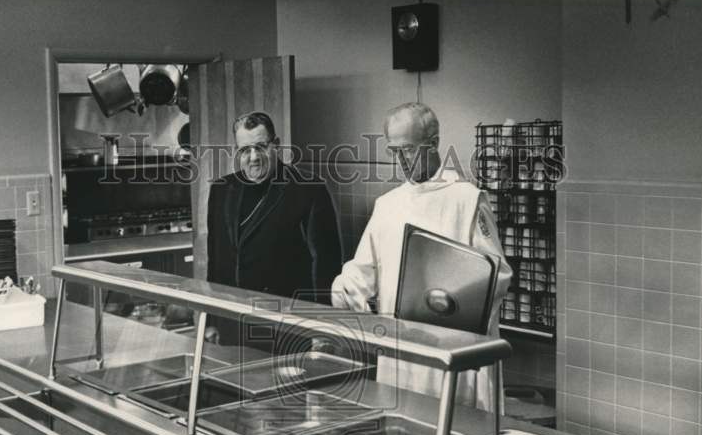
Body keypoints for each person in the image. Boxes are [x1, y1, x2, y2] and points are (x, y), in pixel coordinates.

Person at [331, 102, 512, 410]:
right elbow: (362, 271)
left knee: (460, 434)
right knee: (406, 429)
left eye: (408, 150)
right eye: (393, 151)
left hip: (456, 351)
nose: (400, 160)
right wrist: (345, 288)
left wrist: (448, 298)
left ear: (434, 143)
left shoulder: (466, 200)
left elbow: (498, 274)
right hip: (402, 352)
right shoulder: (388, 205)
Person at [205, 111, 342, 347]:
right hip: (233, 323)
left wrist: (322, 326)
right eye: (245, 150)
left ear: (276, 146)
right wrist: (210, 320)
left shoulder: (308, 189)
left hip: (286, 326)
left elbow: (326, 264)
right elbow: (216, 261)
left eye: (261, 147)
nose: (253, 157)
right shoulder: (222, 189)